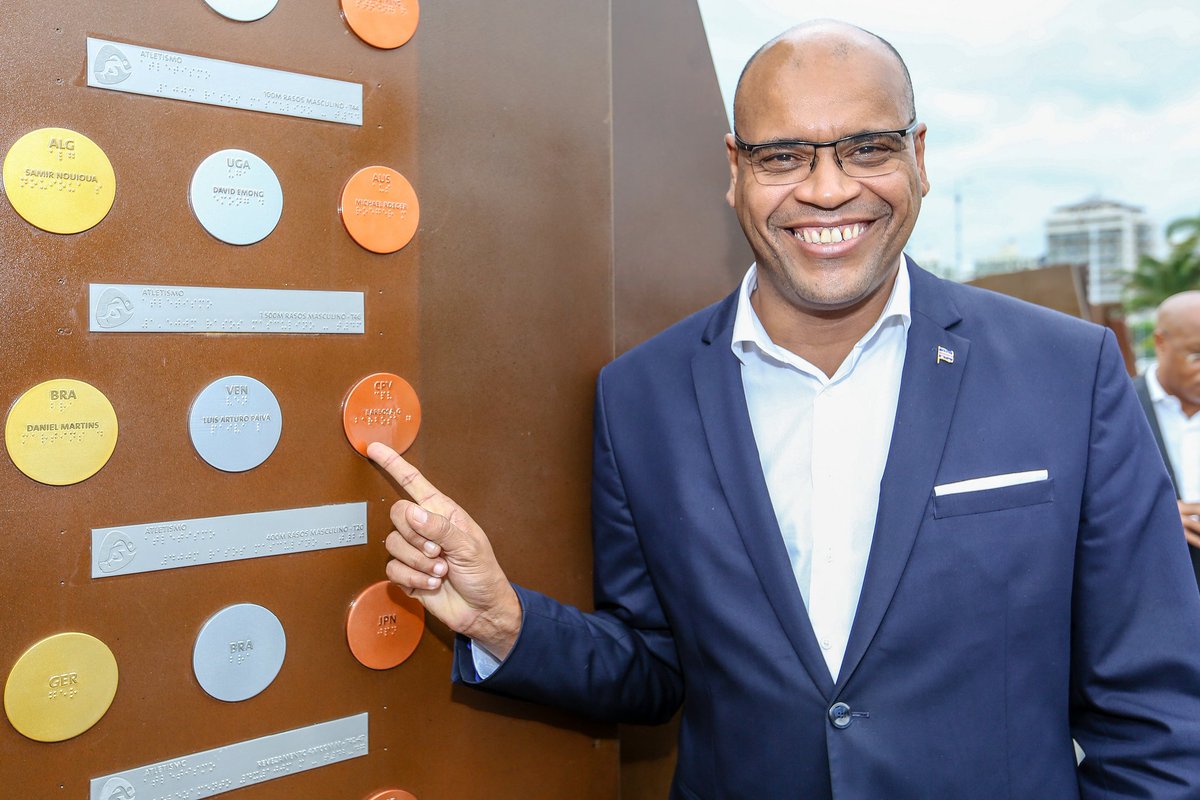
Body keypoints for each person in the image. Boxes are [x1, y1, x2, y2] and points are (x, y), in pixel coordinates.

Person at [367, 20, 1200, 799]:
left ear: (918, 155)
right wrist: (506, 622)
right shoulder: (640, 397)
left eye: (867, 148)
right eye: (783, 157)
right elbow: (659, 667)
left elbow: (1157, 709)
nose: (828, 190)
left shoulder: (1066, 371)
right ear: (735, 169)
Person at [1134, 290, 1200, 588]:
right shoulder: (1116, 408)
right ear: (1161, 343)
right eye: (1197, 355)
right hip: (1155, 589)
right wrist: (1154, 515)